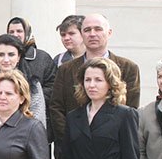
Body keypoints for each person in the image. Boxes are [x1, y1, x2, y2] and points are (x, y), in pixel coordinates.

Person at [50, 13, 140, 143]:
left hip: (113, 149)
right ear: (82, 34)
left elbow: (131, 110)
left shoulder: (128, 68)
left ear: (109, 33)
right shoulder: (66, 69)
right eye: (87, 30)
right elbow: (56, 107)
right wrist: (71, 139)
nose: (92, 34)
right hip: (72, 148)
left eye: (98, 29)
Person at [7, 16, 57, 106]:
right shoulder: (3, 56)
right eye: (11, 32)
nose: (15, 35)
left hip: (36, 109)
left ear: (27, 33)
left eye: (19, 31)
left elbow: (53, 86)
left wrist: (30, 99)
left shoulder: (42, 58)